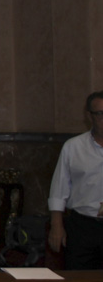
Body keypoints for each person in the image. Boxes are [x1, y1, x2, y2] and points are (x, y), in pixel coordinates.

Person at [48, 91, 103, 270]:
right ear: (89, 116)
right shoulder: (73, 147)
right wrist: (57, 226)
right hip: (83, 226)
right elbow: (59, 189)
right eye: (100, 114)